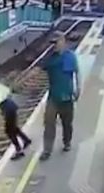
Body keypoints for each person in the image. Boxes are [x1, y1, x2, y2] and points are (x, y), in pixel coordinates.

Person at [36, 31, 81, 161]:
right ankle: (47, 150)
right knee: (49, 124)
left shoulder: (70, 57)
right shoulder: (50, 58)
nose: (54, 45)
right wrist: (47, 52)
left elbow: (76, 72)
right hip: (53, 98)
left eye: (56, 42)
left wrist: (78, 87)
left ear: (63, 42)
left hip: (67, 98)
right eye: (52, 43)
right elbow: (40, 68)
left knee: (67, 124)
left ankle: (67, 142)